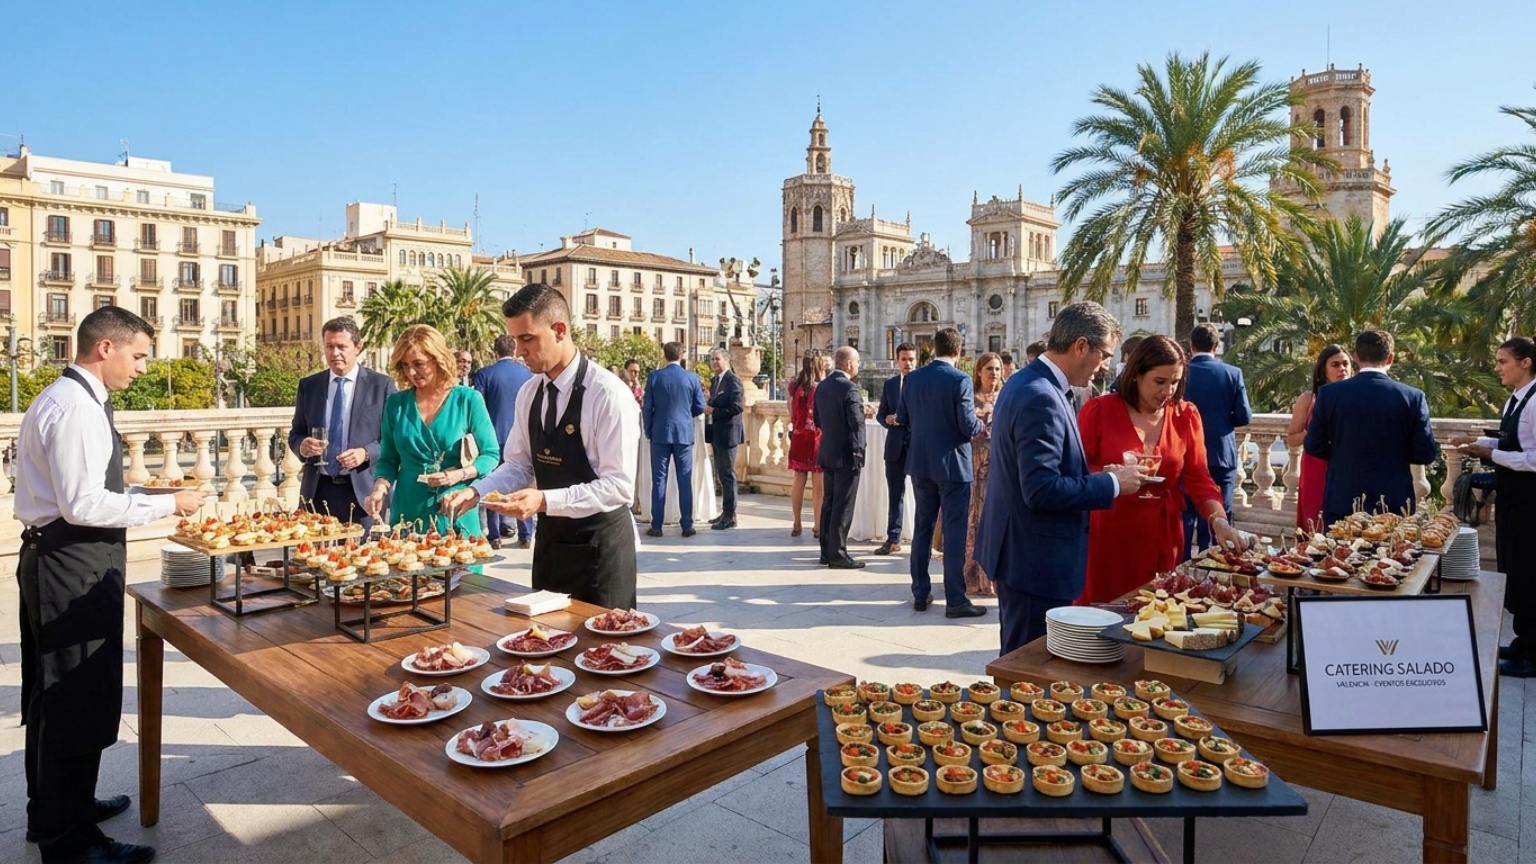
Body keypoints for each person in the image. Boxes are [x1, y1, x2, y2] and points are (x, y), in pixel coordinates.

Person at [17, 307, 207, 864]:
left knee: (53, 694)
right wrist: (169, 505)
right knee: (74, 695)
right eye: (139, 355)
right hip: (71, 565)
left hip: (57, 557)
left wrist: (148, 492)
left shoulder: (63, 397)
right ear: (106, 348)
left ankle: (55, 811)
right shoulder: (78, 408)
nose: (143, 367)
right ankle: (71, 844)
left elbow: (78, 491)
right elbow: (82, 505)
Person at [441, 284, 641, 608]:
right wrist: (477, 491)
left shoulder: (608, 394)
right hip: (550, 546)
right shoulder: (529, 392)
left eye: (527, 339)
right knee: (544, 635)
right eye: (515, 339)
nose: (519, 351)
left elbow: (618, 487)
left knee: (600, 640)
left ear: (560, 330)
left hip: (600, 551)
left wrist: (544, 500)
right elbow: (519, 465)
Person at [976, 302, 1147, 654]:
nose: (1105, 366)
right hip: (1034, 561)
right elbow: (1041, 489)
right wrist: (1113, 484)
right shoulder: (1041, 395)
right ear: (1081, 346)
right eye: (1104, 355)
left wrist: (1098, 476)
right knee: (1027, 664)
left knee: (1024, 660)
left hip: (1023, 552)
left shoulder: (1028, 381)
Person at [1077, 336, 1247, 605]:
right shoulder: (1099, 411)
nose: (1168, 391)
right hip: (1110, 534)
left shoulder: (1185, 415)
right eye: (1160, 381)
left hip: (1163, 534)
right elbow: (1076, 471)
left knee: (1157, 611)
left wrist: (1219, 521)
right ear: (1136, 374)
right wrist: (1106, 474)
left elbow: (1199, 478)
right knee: (1104, 613)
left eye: (1175, 382)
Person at [363, 325, 500, 537]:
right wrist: (379, 488)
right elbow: (388, 459)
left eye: (418, 364)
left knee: (460, 559)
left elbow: (490, 454)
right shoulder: (396, 404)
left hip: (454, 505)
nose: (411, 372)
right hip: (408, 510)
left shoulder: (468, 400)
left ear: (438, 359)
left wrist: (460, 474)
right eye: (405, 365)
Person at [1452, 337, 1536, 677]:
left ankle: (1533, 654)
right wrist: (1477, 443)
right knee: (1515, 567)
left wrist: (1492, 454)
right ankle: (1523, 641)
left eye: (1503, 362)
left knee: (1529, 570)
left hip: (1530, 502)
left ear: (1525, 362)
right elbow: (1511, 441)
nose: (1497, 368)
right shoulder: (1517, 399)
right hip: (1514, 498)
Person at [1304, 329, 1438, 525]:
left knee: (1338, 544)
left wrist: (1342, 454)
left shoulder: (1329, 395)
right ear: (1390, 358)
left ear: (1356, 357)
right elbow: (1425, 453)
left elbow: (1313, 445)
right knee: (1392, 545)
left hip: (1343, 495)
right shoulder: (1413, 397)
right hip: (1393, 499)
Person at [899, 329, 986, 617]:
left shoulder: (913, 379)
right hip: (953, 466)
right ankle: (956, 600)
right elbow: (967, 424)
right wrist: (981, 423)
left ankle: (920, 593)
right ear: (958, 351)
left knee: (922, 529)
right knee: (954, 532)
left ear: (934, 349)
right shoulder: (959, 379)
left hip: (921, 463)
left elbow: (903, 418)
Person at [287, 316, 396, 529]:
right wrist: (302, 446)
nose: (335, 353)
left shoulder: (381, 386)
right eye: (329, 346)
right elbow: (296, 433)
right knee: (315, 551)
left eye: (341, 347)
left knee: (364, 550)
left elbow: (393, 440)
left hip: (363, 493)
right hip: (317, 492)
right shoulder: (309, 386)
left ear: (358, 347)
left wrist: (365, 453)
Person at [1181, 323, 1253, 556]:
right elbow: (1244, 416)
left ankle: (1181, 566)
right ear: (1216, 345)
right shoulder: (1232, 373)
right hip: (1221, 454)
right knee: (1220, 516)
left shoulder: (1181, 373)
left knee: (1184, 518)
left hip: (1185, 454)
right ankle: (1214, 563)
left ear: (1191, 346)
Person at [472, 334, 536, 549]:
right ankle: (526, 533)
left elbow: (478, 408)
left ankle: (495, 535)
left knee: (493, 485)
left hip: (493, 438)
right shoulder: (528, 373)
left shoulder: (484, 374)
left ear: (495, 351)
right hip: (522, 437)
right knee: (523, 484)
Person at [642, 342, 706, 537]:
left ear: (664, 355)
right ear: (682, 355)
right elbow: (700, 406)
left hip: (660, 432)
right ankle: (687, 524)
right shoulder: (692, 377)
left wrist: (649, 430)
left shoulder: (654, 377)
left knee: (659, 480)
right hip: (683, 433)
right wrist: (686, 415)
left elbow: (647, 407)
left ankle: (657, 525)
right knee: (685, 480)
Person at [1288, 345, 1352, 532]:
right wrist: (1318, 430)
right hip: (1315, 467)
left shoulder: (1356, 398)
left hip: (1346, 466)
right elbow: (1292, 439)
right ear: (1323, 370)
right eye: (1335, 365)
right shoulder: (1308, 399)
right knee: (1314, 521)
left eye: (1346, 364)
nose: (1342, 369)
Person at [815, 346, 867, 568]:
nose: (858, 366)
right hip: (847, 454)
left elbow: (818, 420)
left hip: (828, 451)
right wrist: (859, 452)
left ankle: (826, 551)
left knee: (829, 502)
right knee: (843, 505)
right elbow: (857, 424)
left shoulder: (822, 386)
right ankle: (837, 553)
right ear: (849, 364)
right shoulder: (850, 388)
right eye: (857, 362)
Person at [964, 352, 1004, 596]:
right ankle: (972, 576)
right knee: (974, 522)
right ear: (979, 372)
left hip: (999, 467)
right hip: (974, 465)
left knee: (994, 522)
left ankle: (993, 578)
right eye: (989, 368)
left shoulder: (1006, 397)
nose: (994, 373)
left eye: (997, 369)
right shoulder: (970, 398)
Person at [874, 343, 917, 554]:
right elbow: (880, 414)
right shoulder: (890, 384)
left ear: (916, 361)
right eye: (904, 359)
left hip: (918, 447)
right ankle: (893, 539)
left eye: (911, 359)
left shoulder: (923, 383)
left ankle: (923, 540)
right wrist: (888, 419)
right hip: (894, 446)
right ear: (897, 361)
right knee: (895, 494)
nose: (908, 363)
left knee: (923, 495)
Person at [787, 352, 826, 538]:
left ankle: (797, 522)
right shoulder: (821, 387)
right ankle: (817, 525)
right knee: (818, 485)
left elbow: (790, 410)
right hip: (816, 436)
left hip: (799, 435)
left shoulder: (795, 386)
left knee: (798, 481)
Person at [705, 347, 744, 530]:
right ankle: (725, 511)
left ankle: (730, 515)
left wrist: (714, 411)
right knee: (721, 473)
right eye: (712, 359)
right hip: (717, 433)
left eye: (717, 359)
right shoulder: (715, 381)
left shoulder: (732, 380)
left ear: (726, 360)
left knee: (727, 474)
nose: (714, 362)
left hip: (728, 434)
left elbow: (737, 406)